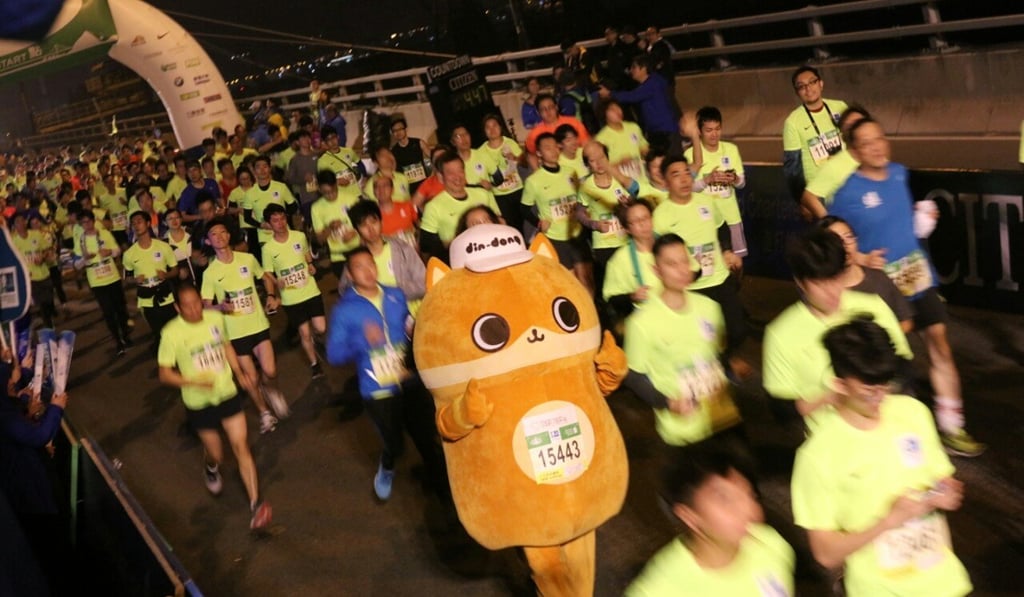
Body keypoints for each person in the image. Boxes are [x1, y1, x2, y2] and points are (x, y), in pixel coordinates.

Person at [829, 118, 984, 457]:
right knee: (893, 364)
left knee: (940, 346)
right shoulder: (846, 195)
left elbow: (899, 223)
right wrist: (860, 258)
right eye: (866, 143)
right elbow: (832, 239)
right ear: (854, 152)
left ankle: (952, 426)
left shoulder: (899, 173)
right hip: (882, 288)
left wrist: (921, 221)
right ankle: (888, 436)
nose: (877, 146)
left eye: (880, 138)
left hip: (918, 276)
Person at [791, 318, 972, 597]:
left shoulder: (913, 412)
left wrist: (945, 491)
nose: (879, 398)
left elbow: (940, 475)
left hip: (945, 583)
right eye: (868, 390)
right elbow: (825, 554)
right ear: (839, 385)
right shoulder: (817, 455)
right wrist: (889, 521)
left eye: (885, 385)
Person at [762, 227, 912, 430]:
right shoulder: (780, 334)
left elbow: (903, 366)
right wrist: (830, 398)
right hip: (834, 444)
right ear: (800, 282)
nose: (831, 291)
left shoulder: (873, 306)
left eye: (835, 279)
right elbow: (782, 409)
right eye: (819, 283)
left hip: (887, 432)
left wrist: (874, 392)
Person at [157, 284, 273, 531]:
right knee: (217, 454)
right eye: (186, 306)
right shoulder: (171, 333)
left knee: (241, 446)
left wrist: (239, 372)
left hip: (226, 393)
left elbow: (226, 345)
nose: (193, 309)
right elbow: (165, 374)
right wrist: (191, 380)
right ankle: (210, 467)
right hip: (199, 403)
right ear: (177, 308)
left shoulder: (215, 317)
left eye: (196, 302)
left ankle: (256, 504)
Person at [623, 233, 743, 449]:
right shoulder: (641, 323)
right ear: (657, 270)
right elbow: (634, 376)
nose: (681, 269)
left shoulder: (710, 307)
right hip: (683, 431)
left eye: (684, 261)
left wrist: (730, 369)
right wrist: (668, 403)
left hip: (722, 418)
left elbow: (715, 353)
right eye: (671, 264)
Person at [626, 452, 794, 597]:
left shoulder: (770, 543)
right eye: (725, 500)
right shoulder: (661, 588)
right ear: (689, 516)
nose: (748, 510)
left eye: (749, 495)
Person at [325, 247, 413, 501]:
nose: (367, 271)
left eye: (370, 264)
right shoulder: (344, 310)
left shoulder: (395, 294)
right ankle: (386, 468)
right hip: (377, 388)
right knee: (395, 445)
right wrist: (363, 341)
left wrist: (415, 328)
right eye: (359, 267)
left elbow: (409, 325)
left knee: (426, 434)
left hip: (409, 378)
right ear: (350, 275)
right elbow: (334, 354)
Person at [652, 156, 747, 364]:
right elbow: (659, 252)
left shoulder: (706, 202)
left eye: (687, 173)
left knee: (737, 329)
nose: (684, 179)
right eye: (676, 175)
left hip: (719, 278)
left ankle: (723, 361)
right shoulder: (662, 214)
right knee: (703, 337)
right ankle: (712, 370)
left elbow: (721, 226)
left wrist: (727, 250)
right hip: (691, 287)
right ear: (666, 181)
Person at [199, 216, 289, 434]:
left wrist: (270, 294)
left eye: (222, 232)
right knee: (250, 378)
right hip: (234, 333)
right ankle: (264, 414)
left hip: (257, 325)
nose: (219, 237)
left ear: (229, 235)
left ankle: (270, 388)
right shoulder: (210, 273)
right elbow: (205, 306)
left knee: (270, 370)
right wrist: (221, 307)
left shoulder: (247, 259)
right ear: (209, 242)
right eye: (213, 235)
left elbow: (264, 276)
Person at [261, 204, 326, 379]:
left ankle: (313, 340)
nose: (280, 223)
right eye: (275, 220)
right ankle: (315, 364)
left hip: (310, 290)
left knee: (320, 327)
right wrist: (274, 287)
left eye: (282, 218)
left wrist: (310, 265)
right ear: (268, 225)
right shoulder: (268, 249)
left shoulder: (299, 236)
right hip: (291, 298)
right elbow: (267, 273)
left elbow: (306, 254)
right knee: (304, 332)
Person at [521, 132, 591, 294]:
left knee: (587, 280)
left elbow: (582, 198)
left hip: (577, 234)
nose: (553, 151)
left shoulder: (570, 172)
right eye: (547, 148)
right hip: (556, 238)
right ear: (539, 153)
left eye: (555, 146)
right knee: (572, 284)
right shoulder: (534, 181)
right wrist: (538, 222)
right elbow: (524, 209)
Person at [821, 216, 913, 333]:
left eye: (848, 237)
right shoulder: (821, 291)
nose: (845, 245)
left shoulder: (878, 279)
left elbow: (905, 321)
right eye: (836, 240)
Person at [782, 66, 848, 212]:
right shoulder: (792, 122)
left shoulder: (840, 106)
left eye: (812, 82)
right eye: (802, 86)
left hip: (848, 183)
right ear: (797, 92)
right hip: (820, 194)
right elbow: (792, 169)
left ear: (821, 84)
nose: (808, 89)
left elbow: (853, 142)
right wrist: (803, 201)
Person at [685, 106, 748, 259]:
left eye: (717, 129)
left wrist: (735, 179)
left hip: (731, 216)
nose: (714, 134)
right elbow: (688, 188)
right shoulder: (689, 153)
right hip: (705, 218)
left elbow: (742, 183)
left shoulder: (731, 149)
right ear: (699, 131)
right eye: (709, 130)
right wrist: (708, 180)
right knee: (711, 261)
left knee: (736, 261)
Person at [419, 152, 502, 263]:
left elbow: (500, 221)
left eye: (460, 171)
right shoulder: (433, 207)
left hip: (493, 255)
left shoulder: (483, 194)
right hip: (459, 262)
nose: (457, 177)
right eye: (450, 173)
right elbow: (426, 246)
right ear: (440, 176)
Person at [348, 200, 426, 314]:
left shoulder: (402, 249)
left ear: (381, 222)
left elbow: (423, 283)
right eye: (364, 225)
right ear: (357, 230)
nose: (370, 229)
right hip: (379, 321)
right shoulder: (355, 260)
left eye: (373, 222)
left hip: (413, 314)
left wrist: (392, 294)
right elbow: (348, 294)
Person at [74, 209, 132, 355]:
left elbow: (118, 250)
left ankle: (125, 333)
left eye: (88, 221)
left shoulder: (104, 234)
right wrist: (84, 259)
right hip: (96, 280)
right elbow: (76, 264)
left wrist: (110, 252)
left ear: (93, 221)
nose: (86, 224)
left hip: (112, 276)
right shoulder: (80, 240)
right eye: (83, 223)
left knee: (120, 308)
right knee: (108, 311)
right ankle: (118, 341)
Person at [801, 104, 871, 220]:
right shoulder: (836, 165)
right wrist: (831, 224)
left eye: (859, 123)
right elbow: (809, 197)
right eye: (850, 126)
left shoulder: (876, 157)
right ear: (842, 134)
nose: (855, 130)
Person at [123, 211, 179, 349]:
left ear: (148, 223)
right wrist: (135, 280)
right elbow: (127, 279)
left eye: (139, 221)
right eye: (133, 223)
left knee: (175, 329)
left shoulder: (163, 246)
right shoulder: (129, 254)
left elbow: (175, 270)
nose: (136, 225)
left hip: (165, 295)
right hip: (146, 299)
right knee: (158, 333)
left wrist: (165, 275)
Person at [599, 55, 677, 152]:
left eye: (634, 67)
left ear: (643, 68)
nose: (631, 70)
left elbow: (632, 96)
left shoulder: (653, 84)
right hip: (659, 130)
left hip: (664, 131)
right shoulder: (654, 81)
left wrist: (610, 93)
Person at [602, 199, 660, 322]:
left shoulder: (669, 246)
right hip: (645, 319)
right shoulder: (619, 260)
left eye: (646, 218)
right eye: (636, 221)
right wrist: (632, 297)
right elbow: (611, 299)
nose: (643, 224)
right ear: (627, 229)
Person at [477, 114, 525, 232]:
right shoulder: (480, 151)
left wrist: (515, 158)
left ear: (500, 127)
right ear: (484, 131)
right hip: (499, 195)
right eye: (488, 127)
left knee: (524, 223)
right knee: (510, 227)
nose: (492, 129)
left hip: (518, 189)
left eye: (494, 125)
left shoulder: (510, 143)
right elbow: (480, 174)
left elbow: (524, 162)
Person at [310, 169, 360, 281]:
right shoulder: (316, 208)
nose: (331, 195)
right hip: (338, 256)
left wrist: (354, 233)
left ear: (336, 185)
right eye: (326, 192)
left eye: (333, 191)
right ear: (319, 189)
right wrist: (330, 228)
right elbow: (320, 239)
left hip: (358, 250)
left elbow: (363, 225)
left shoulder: (351, 199)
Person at [9, 211, 56, 329]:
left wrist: (43, 257)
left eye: (22, 220)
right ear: (14, 226)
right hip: (30, 278)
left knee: (49, 302)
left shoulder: (36, 235)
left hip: (44, 274)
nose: (21, 223)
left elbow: (47, 249)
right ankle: (48, 329)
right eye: (17, 222)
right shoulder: (13, 242)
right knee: (41, 305)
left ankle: (48, 320)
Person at [242, 155, 297, 247]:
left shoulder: (281, 187)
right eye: (258, 167)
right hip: (265, 236)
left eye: (265, 166)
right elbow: (247, 217)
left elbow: (293, 207)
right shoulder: (250, 193)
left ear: (270, 168)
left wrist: (281, 219)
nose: (262, 170)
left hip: (284, 232)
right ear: (254, 171)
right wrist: (261, 225)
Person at [595, 99, 649, 183]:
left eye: (618, 108)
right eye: (612, 109)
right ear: (604, 114)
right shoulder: (601, 139)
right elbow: (600, 168)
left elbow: (643, 147)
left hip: (642, 179)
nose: (617, 111)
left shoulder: (633, 127)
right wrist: (619, 162)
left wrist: (645, 153)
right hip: (621, 182)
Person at [524, 94, 590, 157]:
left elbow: (586, 144)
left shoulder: (573, 122)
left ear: (556, 107)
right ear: (538, 113)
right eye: (543, 109)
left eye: (550, 107)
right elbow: (530, 154)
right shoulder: (535, 134)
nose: (548, 111)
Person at [390, 117, 432, 195]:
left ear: (406, 129)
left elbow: (434, 158)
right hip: (407, 189)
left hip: (423, 185)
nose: (398, 132)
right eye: (394, 131)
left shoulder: (418, 142)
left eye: (400, 129)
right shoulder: (393, 151)